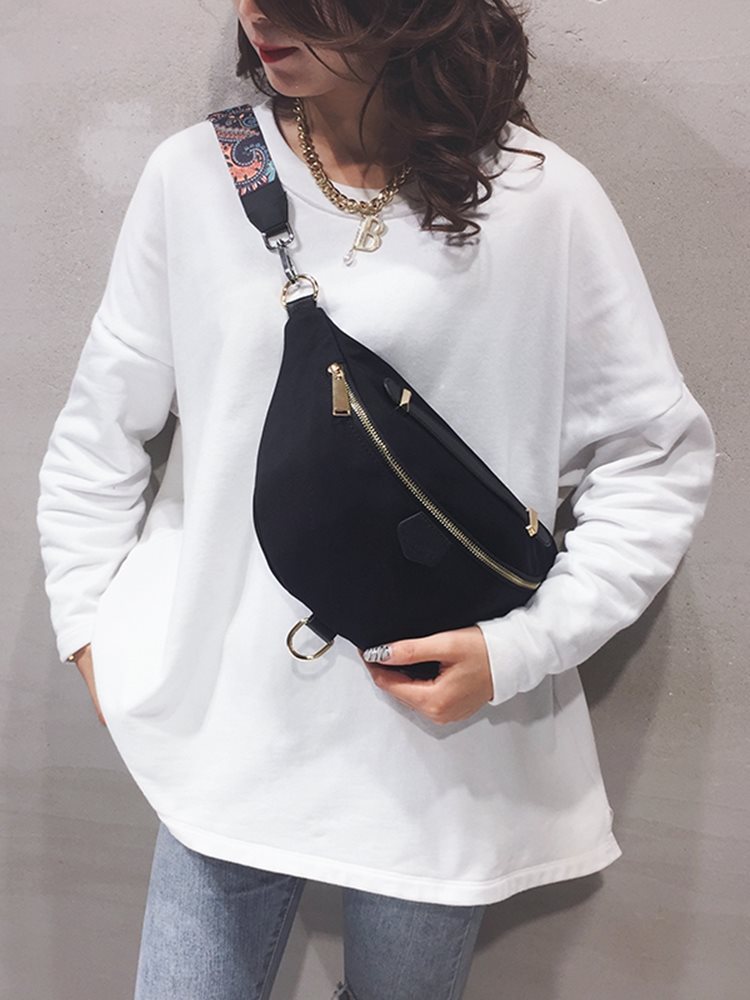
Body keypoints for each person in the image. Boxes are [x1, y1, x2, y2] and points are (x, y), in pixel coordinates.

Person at [35, 2, 716, 998]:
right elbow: (100, 431)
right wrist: (90, 631)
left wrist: (524, 648)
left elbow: (655, 458)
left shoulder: (539, 198)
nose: (259, 13)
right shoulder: (200, 175)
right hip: (227, 732)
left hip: (438, 750)